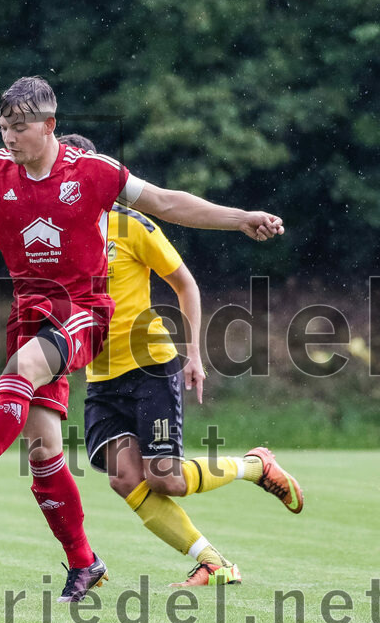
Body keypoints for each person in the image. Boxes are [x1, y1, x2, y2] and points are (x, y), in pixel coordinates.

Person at [0, 76, 284, 603]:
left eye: (19, 128)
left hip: (85, 311)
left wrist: (240, 218)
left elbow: (168, 202)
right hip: (30, 312)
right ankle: (84, 563)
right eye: (3, 127)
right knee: (43, 450)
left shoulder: (94, 172)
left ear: (49, 126)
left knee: (22, 371)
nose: (9, 137)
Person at [57, 133, 303, 587]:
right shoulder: (57, 235)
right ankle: (214, 563)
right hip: (101, 377)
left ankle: (255, 465)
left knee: (165, 478)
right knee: (125, 478)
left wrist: (193, 353)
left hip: (151, 364)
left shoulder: (132, 226)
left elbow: (185, 284)